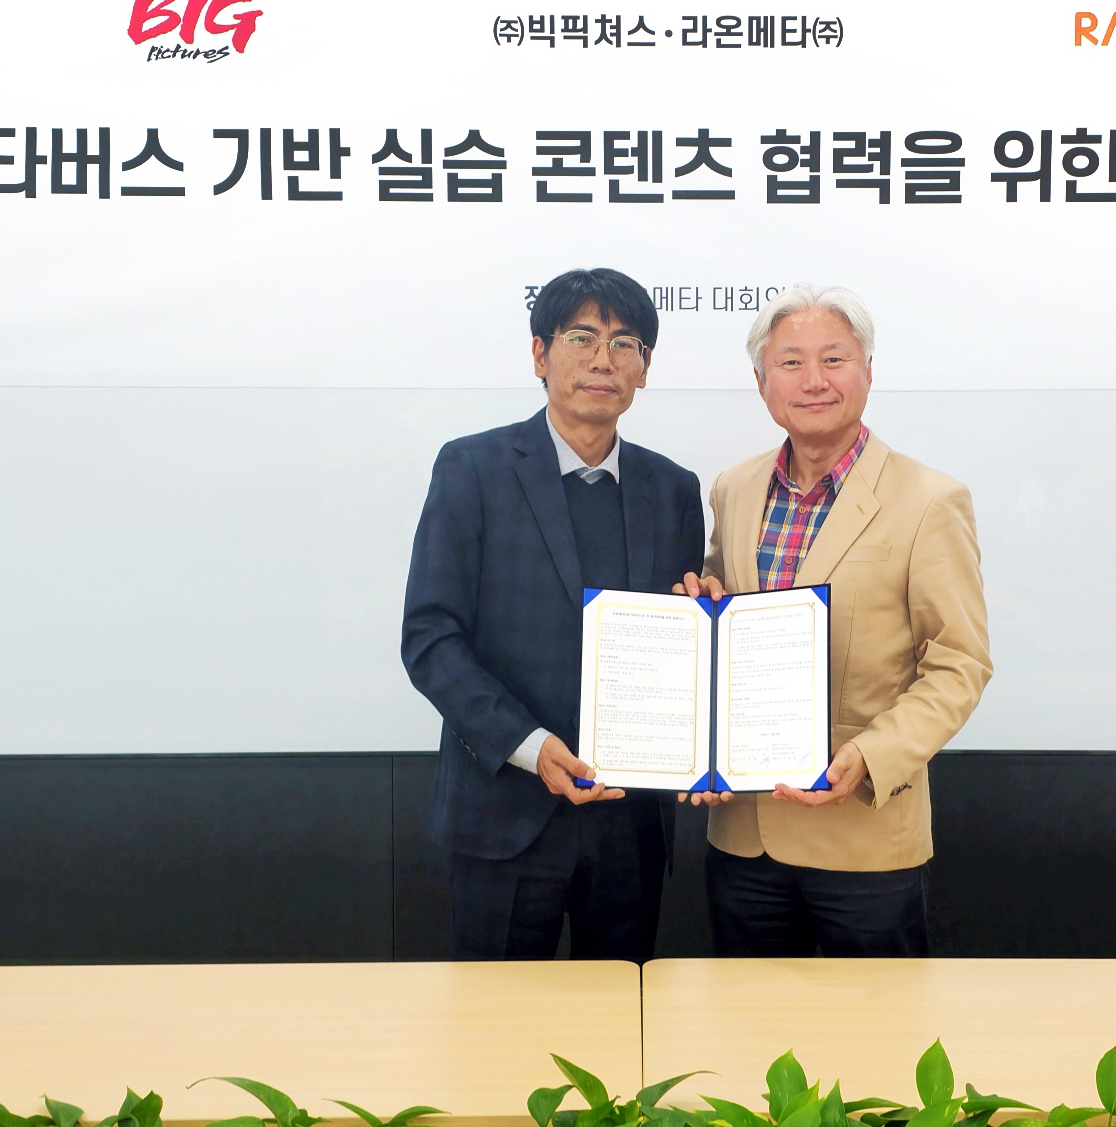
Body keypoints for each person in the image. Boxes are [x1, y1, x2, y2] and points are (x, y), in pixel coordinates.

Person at [677, 283, 992, 956]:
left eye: (834, 359)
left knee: (875, 1022)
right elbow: (723, 624)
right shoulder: (734, 487)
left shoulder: (931, 500)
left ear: (868, 371)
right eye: (791, 362)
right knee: (750, 1018)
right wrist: (702, 604)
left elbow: (959, 663)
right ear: (761, 382)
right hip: (744, 836)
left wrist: (870, 757)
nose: (813, 380)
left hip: (863, 837)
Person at [402, 267, 705, 961]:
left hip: (631, 822)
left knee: (622, 1020)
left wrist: (704, 623)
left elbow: (678, 640)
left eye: (625, 343)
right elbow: (431, 637)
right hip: (505, 815)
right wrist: (531, 746)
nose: (604, 359)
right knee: (499, 1021)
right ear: (540, 354)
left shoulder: (673, 488)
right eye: (581, 337)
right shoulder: (472, 468)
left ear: (645, 368)